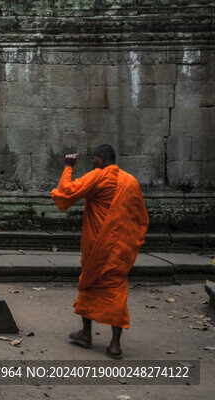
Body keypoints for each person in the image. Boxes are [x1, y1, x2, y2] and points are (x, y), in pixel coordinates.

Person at [51, 145, 149, 359]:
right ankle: (114, 344)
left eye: (94, 159)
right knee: (116, 292)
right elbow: (140, 217)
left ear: (102, 159)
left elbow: (67, 192)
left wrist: (68, 167)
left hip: (97, 244)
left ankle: (86, 333)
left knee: (89, 282)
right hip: (121, 248)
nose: (93, 162)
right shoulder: (130, 182)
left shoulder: (99, 177)